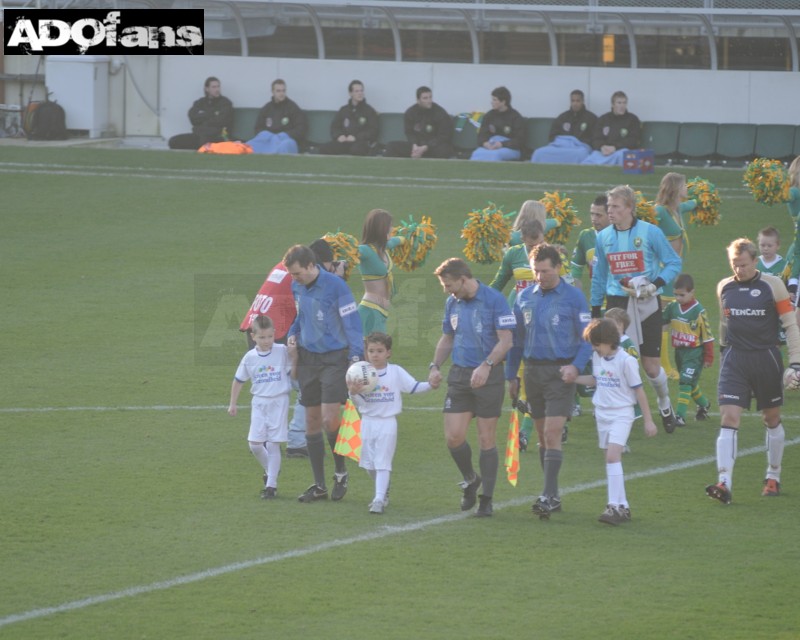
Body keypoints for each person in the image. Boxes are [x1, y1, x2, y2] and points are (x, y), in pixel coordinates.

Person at [706, 238, 800, 504]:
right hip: (735, 360)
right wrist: (724, 356)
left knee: (771, 419)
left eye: (744, 265)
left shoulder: (773, 286)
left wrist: (795, 362)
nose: (739, 270)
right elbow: (725, 325)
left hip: (765, 359)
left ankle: (773, 475)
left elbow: (790, 326)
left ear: (755, 261)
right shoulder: (724, 286)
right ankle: (723, 482)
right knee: (728, 417)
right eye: (735, 265)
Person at [506, 244, 593, 519]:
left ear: (557, 267)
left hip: (560, 373)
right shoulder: (523, 298)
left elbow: (587, 339)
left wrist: (576, 367)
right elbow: (516, 341)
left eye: (545, 271)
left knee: (553, 433)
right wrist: (511, 375)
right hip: (533, 372)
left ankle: (548, 495)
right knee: (543, 438)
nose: (540, 276)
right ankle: (552, 494)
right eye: (536, 271)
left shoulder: (574, 297)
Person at [239, 238, 345, 458]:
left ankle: (265, 438)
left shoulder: (285, 265)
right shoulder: (305, 276)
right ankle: (296, 440)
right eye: (328, 265)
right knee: (308, 384)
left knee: (273, 386)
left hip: (256, 329)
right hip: (274, 333)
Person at [590, 184, 683, 433]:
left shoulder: (650, 232)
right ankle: (623, 420)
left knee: (651, 366)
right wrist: (595, 310)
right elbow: (598, 275)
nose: (610, 211)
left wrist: (655, 285)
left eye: (616, 207)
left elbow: (674, 262)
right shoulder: (603, 237)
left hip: (646, 303)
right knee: (617, 362)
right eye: (609, 207)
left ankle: (664, 403)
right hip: (616, 303)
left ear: (629, 208)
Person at [428, 258, 516, 517]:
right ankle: (470, 478)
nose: (446, 290)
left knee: (486, 438)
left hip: (489, 376)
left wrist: (487, 365)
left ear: (463, 279)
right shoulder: (452, 303)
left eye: (449, 284)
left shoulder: (495, 300)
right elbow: (448, 336)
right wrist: (435, 366)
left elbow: (507, 341)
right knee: (453, 437)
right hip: (459, 375)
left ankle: (486, 499)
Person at [284, 244, 364, 503]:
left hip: (334, 359)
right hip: (308, 358)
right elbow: (300, 315)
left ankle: (340, 473)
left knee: (331, 420)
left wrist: (355, 356)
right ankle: (319, 485)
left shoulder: (336, 286)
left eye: (296, 273)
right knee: (311, 422)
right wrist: (293, 334)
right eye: (291, 274)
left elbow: (352, 323)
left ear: (311, 266)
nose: (293, 279)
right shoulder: (296, 285)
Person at [574, 319, 657, 525]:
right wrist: (573, 379)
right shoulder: (597, 356)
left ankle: (613, 506)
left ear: (608, 341)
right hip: (601, 414)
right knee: (610, 460)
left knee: (612, 457)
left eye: (596, 344)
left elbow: (639, 391)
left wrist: (648, 421)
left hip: (621, 414)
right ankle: (623, 506)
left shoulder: (626, 361)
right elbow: (595, 380)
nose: (594, 348)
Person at [347, 332, 432, 514]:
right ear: (366, 352)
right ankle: (383, 488)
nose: (375, 355)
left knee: (383, 462)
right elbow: (360, 403)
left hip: (387, 423)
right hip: (367, 423)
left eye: (379, 351)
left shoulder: (395, 371)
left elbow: (413, 387)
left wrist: (431, 384)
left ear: (388, 353)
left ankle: (378, 499)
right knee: (369, 465)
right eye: (371, 351)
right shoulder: (359, 373)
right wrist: (353, 393)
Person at [227, 316, 294, 499]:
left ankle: (271, 485)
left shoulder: (282, 351)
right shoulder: (250, 357)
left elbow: (293, 370)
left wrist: (295, 352)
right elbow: (238, 380)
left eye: (270, 337)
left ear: (275, 335)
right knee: (255, 444)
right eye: (262, 337)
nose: (267, 341)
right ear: (253, 336)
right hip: (259, 402)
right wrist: (233, 403)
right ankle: (271, 469)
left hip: (279, 401)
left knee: (273, 444)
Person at [653, 172, 698, 379]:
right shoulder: (660, 211)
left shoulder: (677, 209)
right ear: (675, 188)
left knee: (666, 318)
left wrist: (704, 196)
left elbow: (692, 204)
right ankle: (664, 366)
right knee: (663, 318)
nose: (686, 188)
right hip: (664, 271)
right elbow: (646, 222)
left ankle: (663, 363)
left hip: (674, 270)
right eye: (684, 185)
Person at [661, 273, 714, 426]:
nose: (678, 298)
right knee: (690, 383)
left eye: (682, 295)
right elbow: (662, 321)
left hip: (694, 353)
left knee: (684, 381)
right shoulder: (672, 307)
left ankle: (680, 417)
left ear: (692, 292)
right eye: (675, 295)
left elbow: (707, 336)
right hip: (679, 352)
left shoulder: (699, 311)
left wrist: (709, 357)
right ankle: (704, 404)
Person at [357, 209, 404, 336]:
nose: (392, 228)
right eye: (389, 226)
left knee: (378, 354)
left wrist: (408, 237)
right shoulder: (365, 251)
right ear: (380, 228)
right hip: (370, 310)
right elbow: (350, 253)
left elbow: (396, 241)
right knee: (373, 354)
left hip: (381, 312)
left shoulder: (383, 247)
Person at [384, 86, 453, 159]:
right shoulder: (410, 112)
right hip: (416, 146)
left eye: (430, 97)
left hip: (433, 147)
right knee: (391, 146)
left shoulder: (440, 113)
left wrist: (425, 147)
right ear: (418, 100)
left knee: (444, 150)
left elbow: (444, 136)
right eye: (425, 98)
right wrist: (415, 146)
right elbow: (409, 132)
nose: (429, 100)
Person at [531, 90, 597, 164]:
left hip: (579, 148)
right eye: (573, 101)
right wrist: (565, 142)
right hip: (561, 146)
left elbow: (594, 139)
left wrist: (575, 142)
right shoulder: (563, 117)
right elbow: (552, 136)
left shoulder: (591, 118)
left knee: (581, 154)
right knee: (539, 153)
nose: (575, 103)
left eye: (578, 101)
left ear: (583, 101)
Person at [168, 76, 234, 150]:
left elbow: (220, 121)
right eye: (214, 87)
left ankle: (205, 148)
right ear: (207, 89)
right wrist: (211, 114)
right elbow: (193, 118)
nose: (217, 89)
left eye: (218, 86)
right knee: (173, 141)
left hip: (217, 137)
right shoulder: (200, 102)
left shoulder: (225, 103)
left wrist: (202, 118)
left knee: (205, 141)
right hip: (198, 135)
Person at [318, 80, 379, 156]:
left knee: (357, 149)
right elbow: (335, 127)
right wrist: (339, 135)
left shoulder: (369, 111)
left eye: (361, 91)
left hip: (360, 143)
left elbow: (373, 131)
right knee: (324, 148)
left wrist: (356, 137)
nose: (360, 93)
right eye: (356, 91)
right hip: (344, 142)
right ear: (350, 93)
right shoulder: (344, 110)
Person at [247, 79, 307, 154]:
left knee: (285, 145)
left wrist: (284, 135)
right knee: (249, 145)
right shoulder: (266, 108)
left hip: (286, 140)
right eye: (278, 91)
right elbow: (258, 128)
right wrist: (268, 135)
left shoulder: (292, 107)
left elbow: (300, 129)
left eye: (283, 91)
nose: (281, 93)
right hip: (269, 140)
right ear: (273, 92)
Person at [581, 91, 641, 166]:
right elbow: (596, 138)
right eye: (619, 103)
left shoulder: (633, 119)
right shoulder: (603, 119)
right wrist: (602, 147)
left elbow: (633, 140)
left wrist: (615, 147)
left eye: (624, 103)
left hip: (620, 151)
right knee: (586, 163)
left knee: (623, 154)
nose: (622, 106)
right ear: (612, 104)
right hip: (603, 152)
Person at [470, 86, 525, 162]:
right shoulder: (489, 115)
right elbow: (482, 134)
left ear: (503, 102)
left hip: (510, 148)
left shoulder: (516, 117)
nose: (491, 102)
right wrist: (485, 143)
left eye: (495, 100)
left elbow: (520, 140)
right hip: (490, 146)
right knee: (476, 153)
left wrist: (502, 144)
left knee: (495, 155)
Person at [570, 195, 610, 289]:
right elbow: (575, 271)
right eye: (592, 214)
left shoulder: (622, 235)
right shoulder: (585, 236)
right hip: (598, 301)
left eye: (598, 215)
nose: (594, 219)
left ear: (610, 214)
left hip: (622, 299)